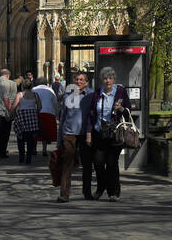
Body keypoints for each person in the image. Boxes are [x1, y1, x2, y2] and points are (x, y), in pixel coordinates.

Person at [88, 66, 131, 200]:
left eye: (110, 78)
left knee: (112, 163)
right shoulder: (96, 93)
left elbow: (128, 110)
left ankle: (113, 192)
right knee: (98, 163)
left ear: (113, 79)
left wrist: (121, 108)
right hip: (99, 132)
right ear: (101, 80)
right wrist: (89, 133)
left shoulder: (120, 92)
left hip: (114, 133)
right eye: (105, 78)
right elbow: (91, 115)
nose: (108, 81)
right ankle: (101, 188)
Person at [56, 72, 93, 202]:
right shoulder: (68, 95)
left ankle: (87, 192)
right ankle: (64, 194)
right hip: (69, 133)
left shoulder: (91, 96)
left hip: (85, 134)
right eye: (77, 79)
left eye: (81, 80)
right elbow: (63, 117)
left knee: (87, 164)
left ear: (87, 82)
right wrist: (59, 138)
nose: (78, 82)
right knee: (67, 164)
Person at [12, 79, 42, 164]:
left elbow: (14, 106)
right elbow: (40, 106)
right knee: (31, 139)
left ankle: (21, 157)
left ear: (23, 86)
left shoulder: (20, 94)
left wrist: (12, 114)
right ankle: (28, 158)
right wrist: (35, 113)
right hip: (32, 117)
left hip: (22, 117)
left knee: (20, 137)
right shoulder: (35, 95)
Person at [33, 76, 59, 155]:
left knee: (35, 131)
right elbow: (55, 102)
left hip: (36, 112)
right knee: (45, 132)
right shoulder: (50, 90)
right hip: (48, 112)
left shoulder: (34, 89)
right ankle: (44, 149)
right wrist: (56, 114)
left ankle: (34, 149)